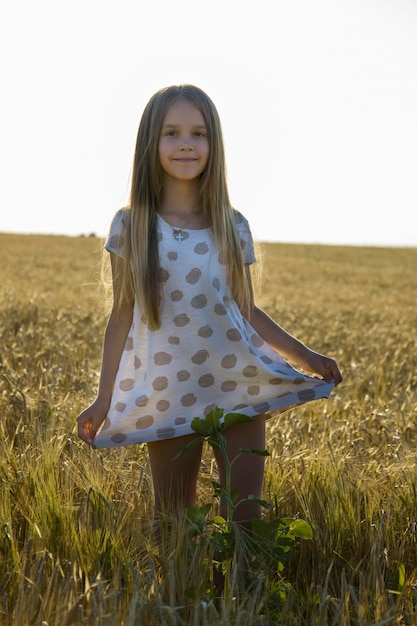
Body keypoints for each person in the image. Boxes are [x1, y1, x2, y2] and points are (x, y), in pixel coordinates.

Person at [77, 84, 342, 531]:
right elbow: (121, 315)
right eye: (171, 133)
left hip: (238, 384)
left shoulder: (231, 224)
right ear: (150, 143)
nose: (185, 143)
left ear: (213, 144)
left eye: (198, 133)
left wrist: (305, 356)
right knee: (174, 522)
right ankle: (183, 600)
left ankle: (239, 599)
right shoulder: (132, 225)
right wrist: (104, 400)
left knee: (245, 519)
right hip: (166, 392)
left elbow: (246, 310)